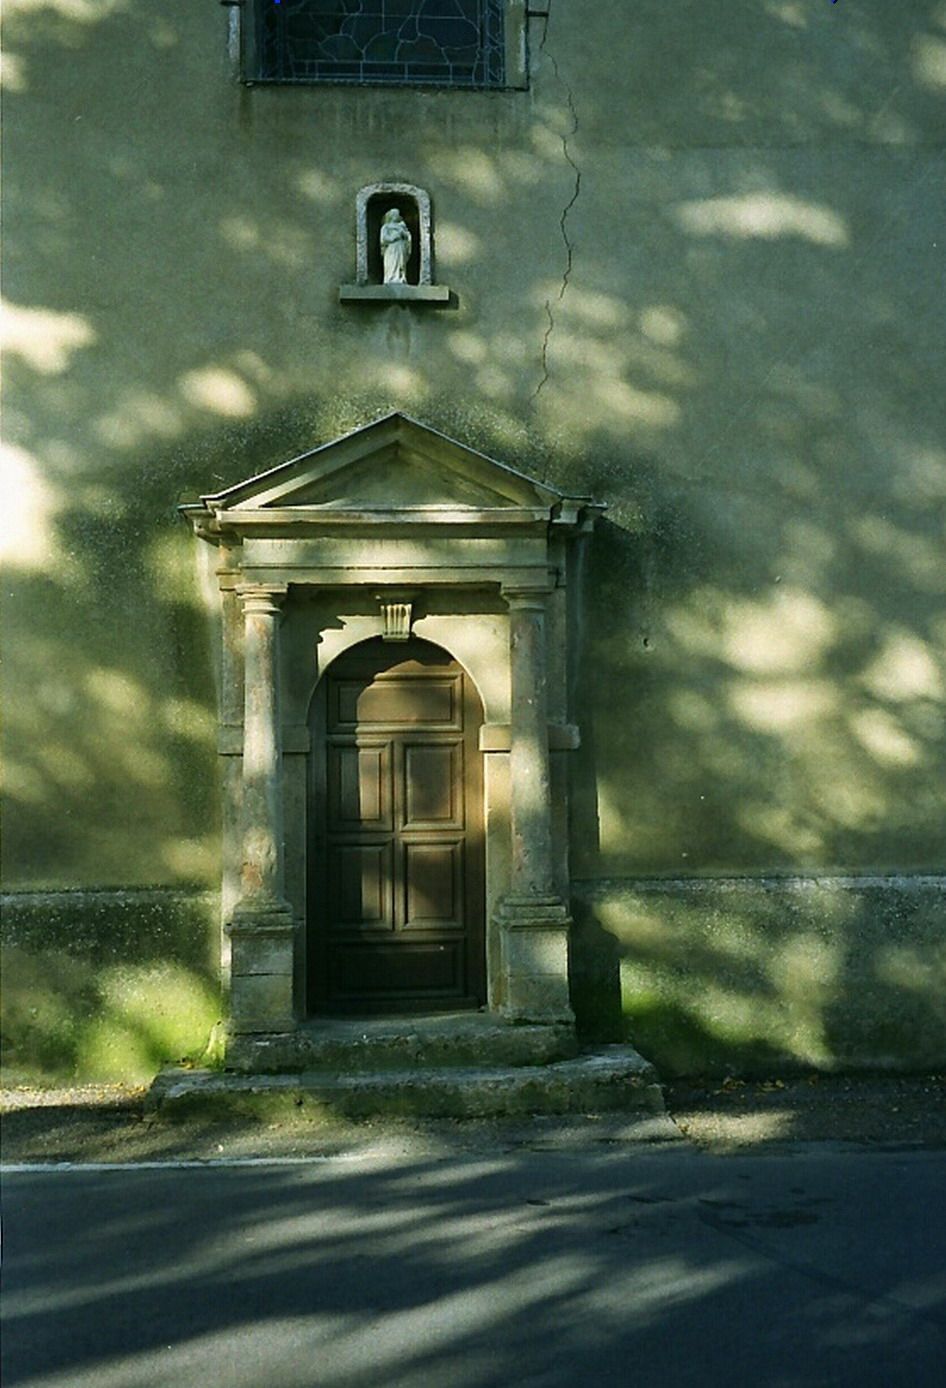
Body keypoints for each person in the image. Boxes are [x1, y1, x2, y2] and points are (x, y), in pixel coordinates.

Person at [380, 208, 411, 284]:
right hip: (391, 249)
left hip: (400, 247)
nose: (395, 216)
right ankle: (391, 277)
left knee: (401, 263)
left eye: (397, 215)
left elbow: (407, 237)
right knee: (391, 263)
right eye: (394, 215)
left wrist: (403, 233)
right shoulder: (386, 227)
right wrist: (393, 237)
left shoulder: (402, 227)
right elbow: (383, 239)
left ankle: (400, 277)